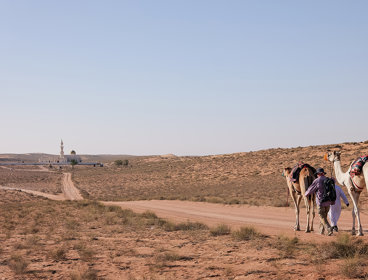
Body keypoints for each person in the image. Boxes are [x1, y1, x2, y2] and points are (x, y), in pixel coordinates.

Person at [305, 168, 335, 236]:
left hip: (321, 202)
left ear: (318, 174)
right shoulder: (329, 180)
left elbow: (310, 190)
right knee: (324, 217)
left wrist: (305, 194)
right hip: (328, 202)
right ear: (323, 173)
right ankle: (321, 231)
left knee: (322, 217)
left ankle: (329, 229)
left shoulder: (317, 180)